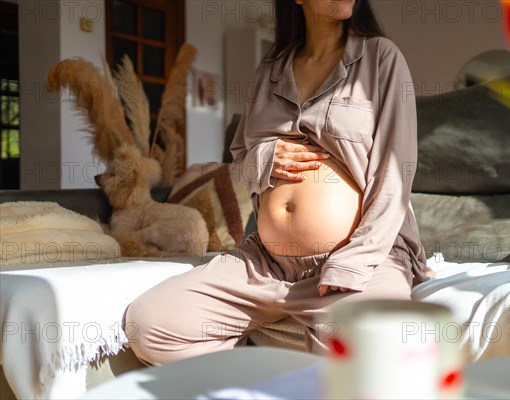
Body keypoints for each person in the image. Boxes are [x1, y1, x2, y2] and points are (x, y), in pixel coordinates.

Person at [125, 0, 431, 365]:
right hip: (266, 265)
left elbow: (395, 173)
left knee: (371, 352)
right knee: (148, 325)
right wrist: (265, 156)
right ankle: (256, 379)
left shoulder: (380, 57)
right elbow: (239, 161)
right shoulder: (271, 69)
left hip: (355, 259)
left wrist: (354, 262)